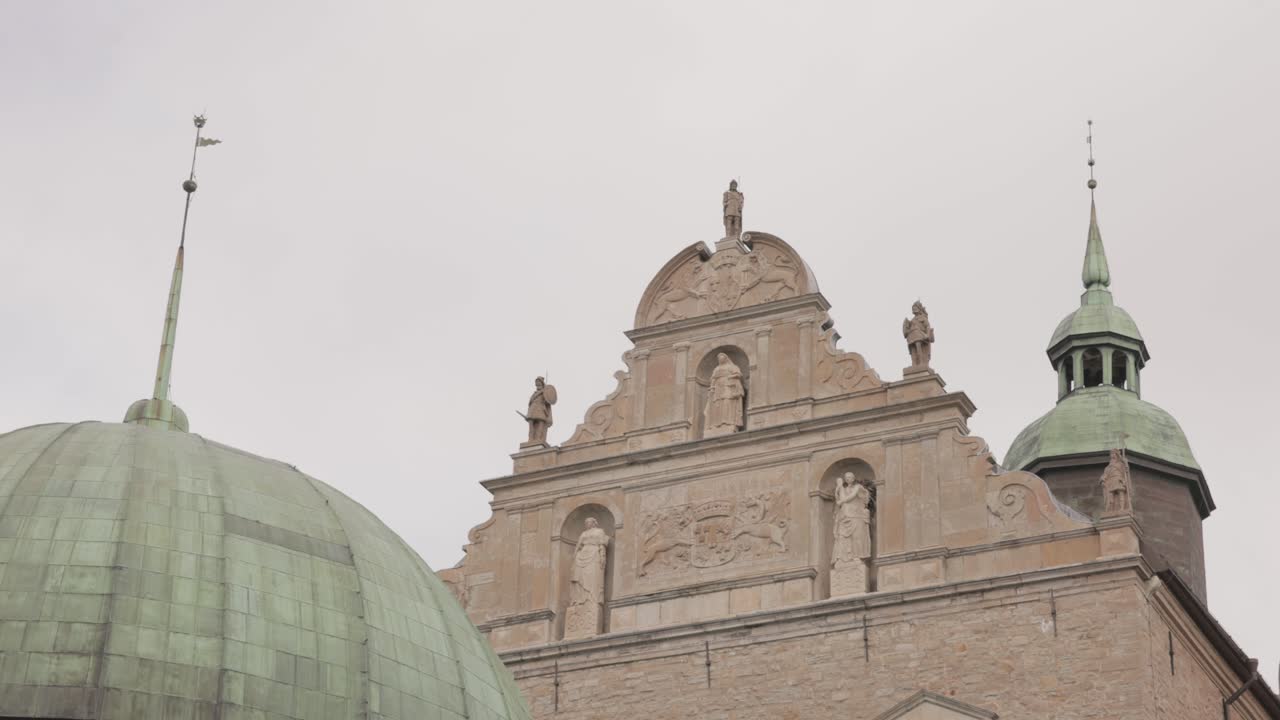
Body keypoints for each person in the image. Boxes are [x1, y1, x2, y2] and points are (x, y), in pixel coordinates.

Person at [526, 376, 556, 444]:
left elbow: (549, 400)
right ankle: (531, 438)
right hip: (533, 409)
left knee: (540, 423)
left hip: (541, 409)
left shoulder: (545, 392)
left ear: (542, 384)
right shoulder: (534, 393)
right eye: (537, 383)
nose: (537, 384)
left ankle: (539, 438)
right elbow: (530, 402)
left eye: (539, 382)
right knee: (531, 424)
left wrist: (546, 397)